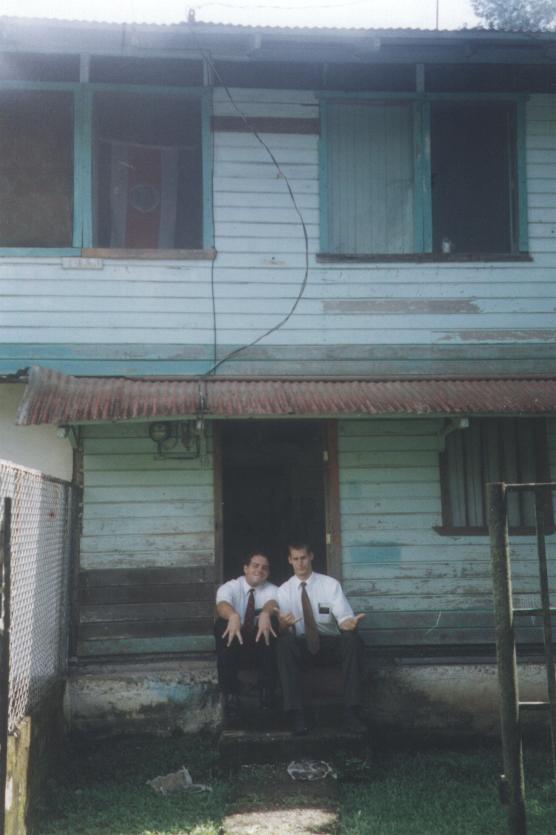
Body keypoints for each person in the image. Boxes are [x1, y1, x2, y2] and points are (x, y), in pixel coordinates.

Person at [276, 541, 365, 735]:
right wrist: (283, 625)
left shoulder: (330, 584)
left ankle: (352, 712)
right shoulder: (283, 590)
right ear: (290, 560)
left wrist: (347, 623)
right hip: (301, 645)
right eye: (296, 559)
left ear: (311, 557)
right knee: (284, 643)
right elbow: (283, 627)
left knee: (353, 640)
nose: (300, 563)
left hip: (328, 643)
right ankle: (296, 714)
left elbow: (344, 617)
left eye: (304, 558)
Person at [214, 551, 279, 723]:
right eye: (255, 566)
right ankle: (231, 696)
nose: (260, 570)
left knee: (272, 623)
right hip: (234, 644)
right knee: (222, 625)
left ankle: (267, 695)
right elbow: (222, 605)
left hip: (260, 646)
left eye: (264, 567)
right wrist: (233, 616)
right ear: (245, 568)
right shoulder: (230, 587)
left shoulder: (273, 589)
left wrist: (266, 613)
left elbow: (273, 602)